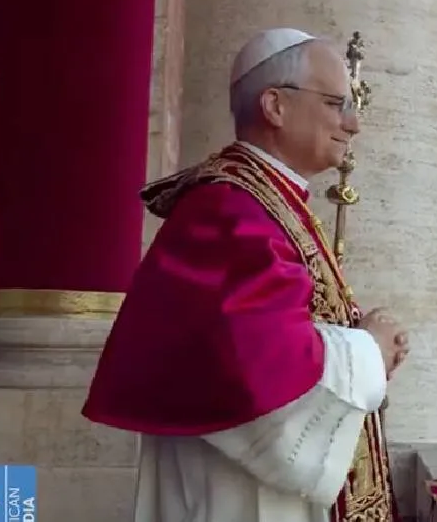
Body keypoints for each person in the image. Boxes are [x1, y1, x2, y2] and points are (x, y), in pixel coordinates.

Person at [82, 28, 410, 522]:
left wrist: (367, 343)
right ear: (275, 106)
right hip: (239, 491)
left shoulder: (266, 199)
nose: (353, 123)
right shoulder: (232, 209)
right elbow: (256, 368)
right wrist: (367, 352)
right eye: (335, 103)